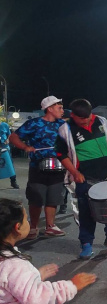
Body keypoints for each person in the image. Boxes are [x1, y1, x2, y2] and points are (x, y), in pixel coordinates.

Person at [55, 99, 107, 259]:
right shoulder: (65, 129)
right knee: (86, 212)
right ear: (73, 115)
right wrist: (74, 172)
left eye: (88, 117)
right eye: (82, 119)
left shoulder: (102, 122)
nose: (86, 121)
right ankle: (86, 244)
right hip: (85, 178)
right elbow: (61, 154)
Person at [9, 96, 68, 239]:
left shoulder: (63, 125)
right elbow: (13, 137)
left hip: (59, 166)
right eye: (59, 107)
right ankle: (33, 227)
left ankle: (50, 226)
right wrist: (24, 146)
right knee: (36, 196)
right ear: (49, 109)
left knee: (53, 197)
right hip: (38, 166)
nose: (62, 110)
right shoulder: (34, 123)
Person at [0, 122, 18, 189]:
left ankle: (13, 182)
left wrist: (8, 140)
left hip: (5, 148)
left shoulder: (4, 125)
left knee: (10, 165)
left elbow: (9, 135)